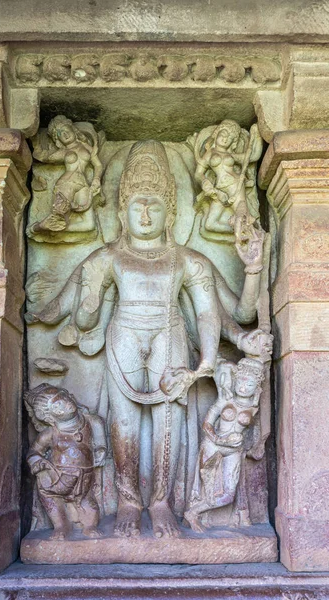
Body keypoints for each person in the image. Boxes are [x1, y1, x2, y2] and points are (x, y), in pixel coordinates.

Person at [28, 140, 270, 539]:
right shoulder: (107, 257)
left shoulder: (189, 260)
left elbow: (225, 314)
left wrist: (254, 268)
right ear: (121, 212)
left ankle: (160, 503)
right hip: (123, 335)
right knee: (123, 424)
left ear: (171, 212)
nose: (145, 213)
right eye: (137, 204)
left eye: (154, 205)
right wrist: (90, 295)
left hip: (169, 334)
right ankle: (127, 500)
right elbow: (82, 316)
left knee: (167, 425)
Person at [184, 357, 265, 533]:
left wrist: (250, 446)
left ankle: (193, 512)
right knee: (208, 489)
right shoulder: (224, 400)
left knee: (228, 494)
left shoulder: (254, 407)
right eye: (241, 382)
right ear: (235, 381)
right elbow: (207, 425)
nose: (243, 388)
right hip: (213, 445)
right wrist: (220, 440)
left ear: (256, 389)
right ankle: (195, 515)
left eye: (249, 385)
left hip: (234, 451)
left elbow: (255, 431)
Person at [25, 383, 106, 540]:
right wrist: (37, 462)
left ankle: (90, 526)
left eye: (63, 398)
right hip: (57, 476)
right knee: (49, 497)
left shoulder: (91, 422)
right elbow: (34, 452)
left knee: (88, 503)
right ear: (49, 417)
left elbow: (101, 444)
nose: (65, 403)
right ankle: (61, 526)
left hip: (84, 476)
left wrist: (100, 451)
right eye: (57, 405)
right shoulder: (50, 433)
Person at [30, 115, 103, 233]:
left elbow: (98, 165)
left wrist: (96, 179)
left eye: (66, 130)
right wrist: (35, 144)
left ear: (73, 130)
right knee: (58, 219)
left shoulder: (86, 147)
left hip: (83, 185)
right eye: (59, 134)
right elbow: (44, 157)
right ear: (57, 140)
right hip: (66, 184)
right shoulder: (63, 152)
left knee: (90, 225)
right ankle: (37, 228)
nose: (64, 134)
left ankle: (51, 228)